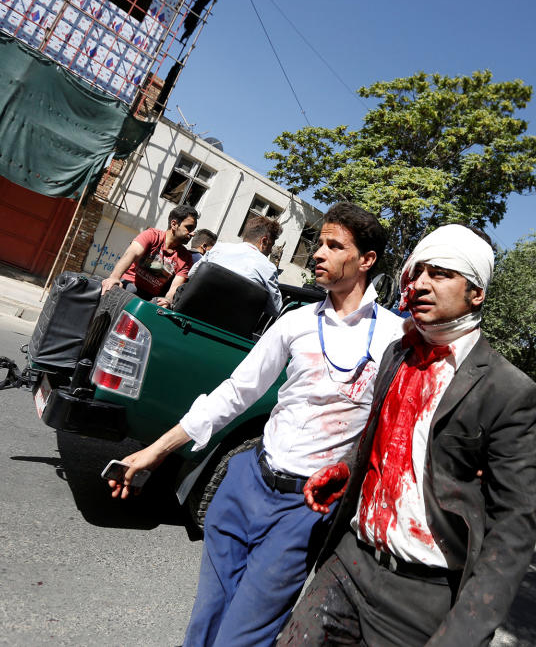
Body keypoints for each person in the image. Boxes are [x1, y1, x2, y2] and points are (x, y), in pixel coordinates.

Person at [107, 202, 404, 647]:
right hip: (245, 484)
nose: (319, 253)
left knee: (242, 637)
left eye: (334, 246)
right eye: (318, 243)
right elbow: (235, 393)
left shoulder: (395, 339)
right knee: (203, 624)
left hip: (304, 509)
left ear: (366, 260)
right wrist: (156, 450)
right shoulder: (295, 322)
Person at [278, 224, 536, 647]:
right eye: (416, 271)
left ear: (476, 292)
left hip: (422, 596)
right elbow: (388, 442)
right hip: (349, 561)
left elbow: (514, 527)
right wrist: (347, 469)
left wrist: (465, 632)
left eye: (439, 273)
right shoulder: (397, 352)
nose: (419, 283)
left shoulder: (509, 392)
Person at [100, 205, 198, 307]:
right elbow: (131, 253)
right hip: (129, 285)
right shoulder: (152, 235)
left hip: (149, 298)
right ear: (174, 224)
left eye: (194, 229)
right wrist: (114, 278)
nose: (193, 233)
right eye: (189, 228)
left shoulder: (186, 258)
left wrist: (167, 300)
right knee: (130, 290)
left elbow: (175, 287)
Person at [187, 215, 283, 315]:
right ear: (264, 241)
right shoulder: (268, 267)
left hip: (194, 313)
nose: (271, 251)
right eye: (271, 245)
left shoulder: (218, 248)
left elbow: (191, 274)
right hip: (231, 327)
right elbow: (275, 310)